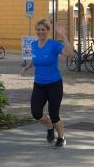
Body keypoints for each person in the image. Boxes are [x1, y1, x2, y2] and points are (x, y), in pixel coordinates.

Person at [20, 19, 74, 147]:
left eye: (43, 29)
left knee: (54, 114)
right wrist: (27, 67)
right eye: (38, 29)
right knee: (36, 112)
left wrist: (63, 35)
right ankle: (50, 127)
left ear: (47, 31)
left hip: (54, 84)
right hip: (39, 84)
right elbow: (35, 59)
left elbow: (70, 53)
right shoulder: (34, 44)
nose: (40, 32)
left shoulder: (53, 45)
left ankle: (61, 137)